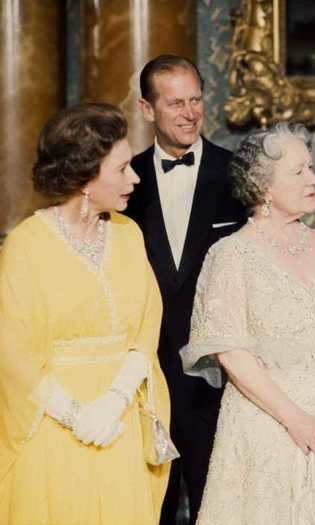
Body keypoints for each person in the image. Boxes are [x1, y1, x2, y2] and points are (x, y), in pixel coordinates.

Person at [179, 122, 315, 524]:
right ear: (264, 188)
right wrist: (296, 420)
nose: (314, 178)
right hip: (266, 430)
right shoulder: (231, 255)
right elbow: (232, 355)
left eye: (311, 168)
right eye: (299, 171)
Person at [0, 103, 171, 524]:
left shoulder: (129, 236)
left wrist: (113, 402)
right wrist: (78, 416)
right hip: (54, 427)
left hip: (119, 424)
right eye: (122, 168)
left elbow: (147, 326)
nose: (135, 178)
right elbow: (12, 354)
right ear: (84, 176)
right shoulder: (26, 246)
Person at [126, 54, 246, 524]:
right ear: (147, 109)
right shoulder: (125, 182)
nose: (190, 113)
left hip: (217, 379)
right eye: (175, 102)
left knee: (214, 507)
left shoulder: (238, 174)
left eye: (196, 99)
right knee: (147, 507)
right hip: (144, 380)